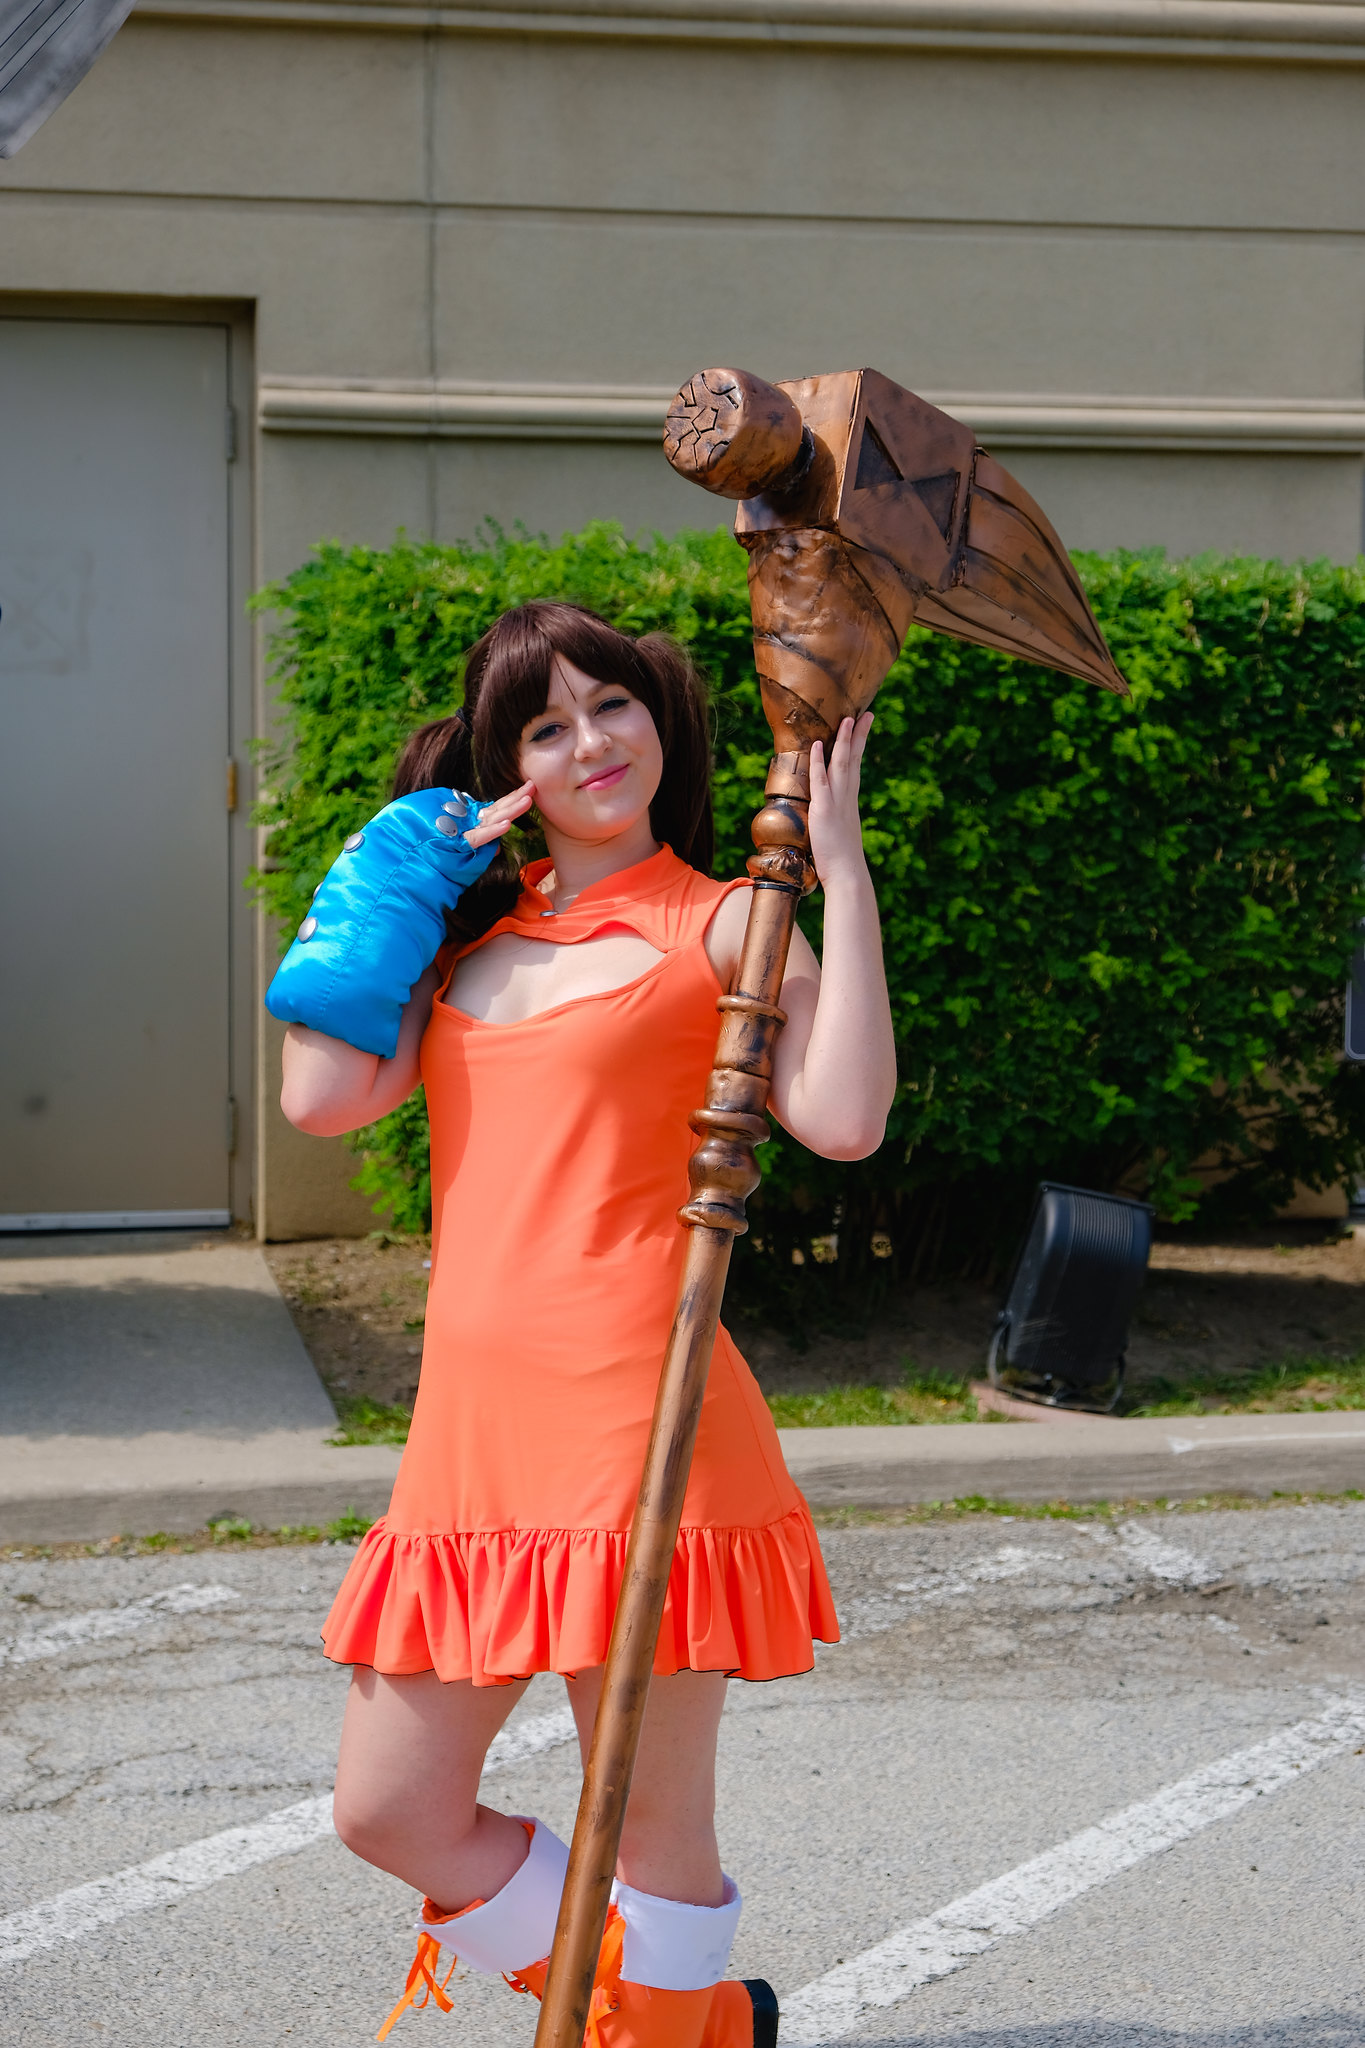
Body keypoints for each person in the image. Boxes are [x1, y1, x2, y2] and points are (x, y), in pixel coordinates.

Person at [275, 601, 896, 2045]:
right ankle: (682, 2017)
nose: (587, 743)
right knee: (387, 1807)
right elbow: (319, 1097)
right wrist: (397, 881)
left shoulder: (721, 913)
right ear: (508, 770)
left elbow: (844, 1120)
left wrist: (838, 872)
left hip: (648, 1419)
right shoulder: (465, 944)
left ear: (659, 722)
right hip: (472, 1447)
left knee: (653, 1825)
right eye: (544, 726)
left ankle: (668, 2025)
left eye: (608, 705)